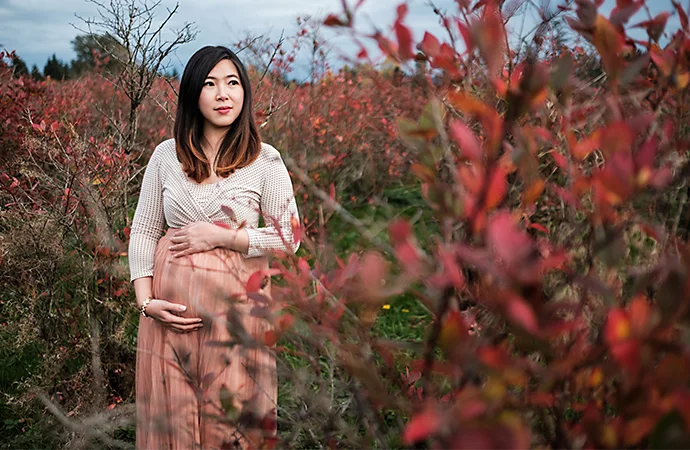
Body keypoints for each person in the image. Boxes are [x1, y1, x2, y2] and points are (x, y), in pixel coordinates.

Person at [128, 45, 300, 449]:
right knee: (174, 421)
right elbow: (144, 230)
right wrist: (146, 302)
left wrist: (224, 237)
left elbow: (290, 236)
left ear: (244, 93)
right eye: (210, 84)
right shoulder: (165, 156)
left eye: (233, 83)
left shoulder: (265, 160)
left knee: (231, 419)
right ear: (193, 93)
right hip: (170, 319)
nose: (223, 94)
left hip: (236, 316)